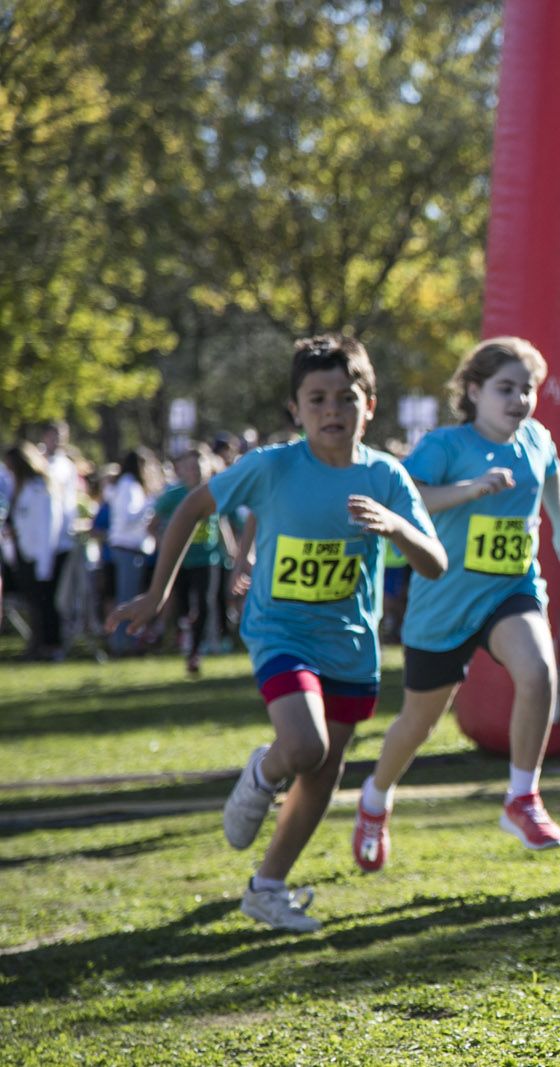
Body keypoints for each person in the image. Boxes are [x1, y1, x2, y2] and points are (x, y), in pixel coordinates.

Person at [107, 335, 446, 933]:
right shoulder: (272, 466)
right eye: (317, 399)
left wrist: (396, 526)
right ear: (295, 409)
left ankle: (267, 888)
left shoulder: (388, 476)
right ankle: (263, 773)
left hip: (349, 643)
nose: (332, 410)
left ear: (370, 404)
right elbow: (190, 508)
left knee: (323, 772)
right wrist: (158, 593)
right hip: (280, 632)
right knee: (305, 746)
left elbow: (434, 563)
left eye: (346, 397)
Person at [351, 337, 560, 872]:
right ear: (473, 391)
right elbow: (407, 499)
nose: (519, 400)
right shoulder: (446, 446)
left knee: (538, 673)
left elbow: (551, 470)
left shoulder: (536, 438)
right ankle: (375, 799)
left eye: (527, 389)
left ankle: (522, 797)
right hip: (444, 602)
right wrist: (470, 490)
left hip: (512, 590)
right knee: (418, 724)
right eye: (505, 388)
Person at [151, 445, 229, 674]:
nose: (194, 471)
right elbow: (152, 525)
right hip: (181, 561)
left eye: (198, 466)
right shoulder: (173, 496)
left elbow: (221, 521)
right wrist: (164, 545)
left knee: (205, 604)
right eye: (189, 467)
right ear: (181, 471)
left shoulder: (215, 492)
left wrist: (231, 549)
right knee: (184, 608)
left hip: (208, 558)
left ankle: (195, 652)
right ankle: (184, 635)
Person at [4, 443, 70, 660]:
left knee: (47, 602)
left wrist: (44, 563)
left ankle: (52, 645)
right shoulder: (21, 487)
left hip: (43, 554)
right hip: (26, 553)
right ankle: (37, 643)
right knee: (34, 602)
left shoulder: (41, 487)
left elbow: (47, 527)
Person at [105, 447, 160, 656]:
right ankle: (121, 644)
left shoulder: (128, 484)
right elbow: (129, 518)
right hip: (127, 548)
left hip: (131, 548)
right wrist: (151, 505)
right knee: (126, 598)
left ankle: (126, 641)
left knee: (128, 596)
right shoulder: (129, 485)